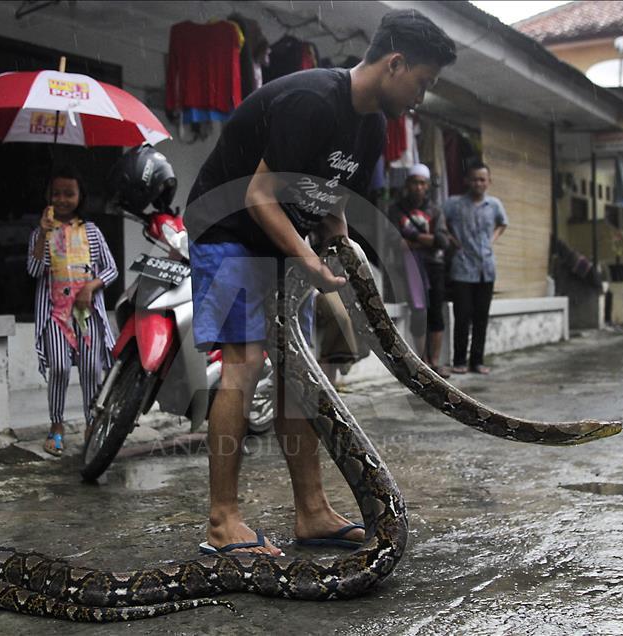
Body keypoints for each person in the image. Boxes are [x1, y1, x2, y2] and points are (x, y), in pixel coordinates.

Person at [184, 9, 457, 556]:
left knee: (298, 375)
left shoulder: (372, 126)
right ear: (395, 62)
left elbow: (329, 204)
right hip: (230, 228)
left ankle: (311, 512)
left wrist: (343, 247)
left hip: (287, 241)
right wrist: (307, 257)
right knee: (246, 360)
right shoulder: (313, 101)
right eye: (422, 83)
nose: (420, 99)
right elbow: (258, 196)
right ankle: (222, 520)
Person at [27, 167, 118, 456]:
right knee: (61, 368)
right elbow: (34, 270)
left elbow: (111, 268)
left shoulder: (91, 232)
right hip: (55, 316)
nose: (63, 199)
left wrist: (91, 286)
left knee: (92, 369)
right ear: (48, 197)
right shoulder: (40, 233)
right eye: (57, 193)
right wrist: (43, 233)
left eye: (70, 193)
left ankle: (92, 424)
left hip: (87, 314)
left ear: (80, 197)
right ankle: (56, 426)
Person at [388, 163, 455, 377]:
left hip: (434, 266)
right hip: (409, 268)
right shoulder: (396, 209)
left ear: (427, 186)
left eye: (422, 183)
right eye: (415, 182)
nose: (418, 187)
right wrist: (428, 240)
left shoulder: (435, 209)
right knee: (419, 313)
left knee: (435, 312)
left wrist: (413, 239)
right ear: (408, 184)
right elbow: (394, 240)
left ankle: (434, 363)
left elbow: (444, 241)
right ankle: (422, 362)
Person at [443, 161, 508, 375]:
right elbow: (440, 223)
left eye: (482, 179)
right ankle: (460, 361)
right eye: (474, 179)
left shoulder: (495, 205)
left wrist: (492, 241)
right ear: (466, 181)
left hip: (486, 268)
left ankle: (477, 361)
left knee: (481, 317)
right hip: (462, 266)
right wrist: (453, 241)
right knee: (462, 316)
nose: (478, 183)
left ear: (489, 182)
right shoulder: (454, 204)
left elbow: (503, 224)